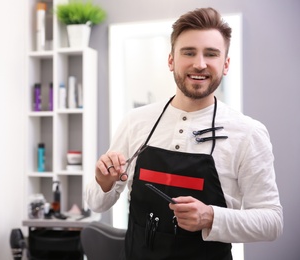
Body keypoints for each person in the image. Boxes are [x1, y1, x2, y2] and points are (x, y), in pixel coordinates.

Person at [85, 7, 283, 260]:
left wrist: (211, 217)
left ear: (226, 64)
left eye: (211, 54)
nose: (199, 64)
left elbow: (272, 221)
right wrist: (104, 181)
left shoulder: (248, 133)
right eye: (189, 52)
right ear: (171, 60)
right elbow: (96, 203)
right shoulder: (135, 122)